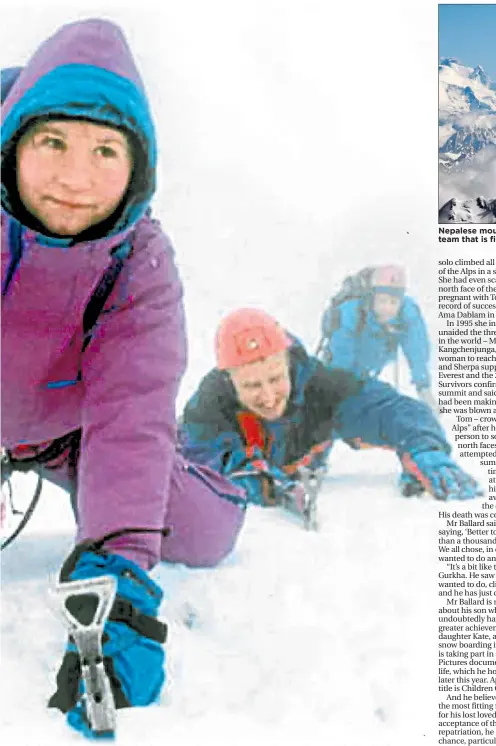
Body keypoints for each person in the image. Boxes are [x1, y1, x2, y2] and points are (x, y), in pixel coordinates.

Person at [1, 19, 246, 736]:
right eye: (53, 142)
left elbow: (130, 410)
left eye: (105, 150)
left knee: (202, 534)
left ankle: (212, 468)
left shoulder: (137, 264)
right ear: (13, 142)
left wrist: (122, 579)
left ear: (138, 168)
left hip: (69, 436)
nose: (76, 178)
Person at [180, 307, 482, 509]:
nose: (269, 397)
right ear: (230, 382)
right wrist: (264, 483)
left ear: (289, 365)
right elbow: (204, 459)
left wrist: (424, 448)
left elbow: (393, 409)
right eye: (252, 386)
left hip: (301, 467)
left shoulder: (322, 386)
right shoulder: (208, 406)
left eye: (275, 378)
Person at [317, 265, 436, 410]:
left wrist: (423, 388)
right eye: (382, 301)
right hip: (338, 368)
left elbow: (417, 350)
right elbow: (342, 355)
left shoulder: (408, 314)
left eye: (393, 302)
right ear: (371, 298)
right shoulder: (351, 314)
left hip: (370, 367)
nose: (387, 308)